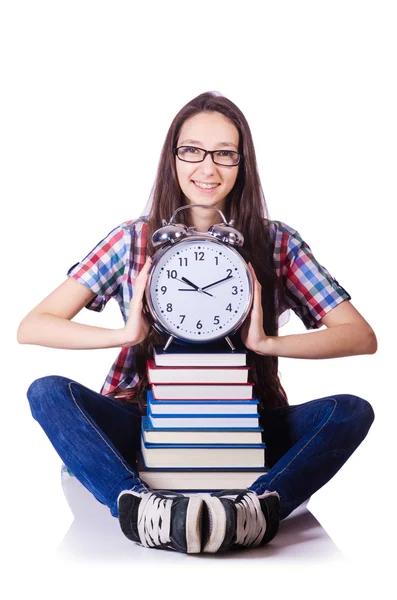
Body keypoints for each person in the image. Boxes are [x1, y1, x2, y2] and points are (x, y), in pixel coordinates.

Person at [17, 91, 376, 555]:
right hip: (145, 418)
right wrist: (124, 334)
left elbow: (360, 336)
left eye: (225, 154)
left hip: (246, 425)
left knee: (350, 410)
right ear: (173, 157)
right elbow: (34, 325)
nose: (207, 168)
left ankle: (256, 509)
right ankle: (139, 505)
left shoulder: (277, 242)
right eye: (192, 151)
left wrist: (266, 342)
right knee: (47, 391)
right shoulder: (132, 239)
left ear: (242, 164)